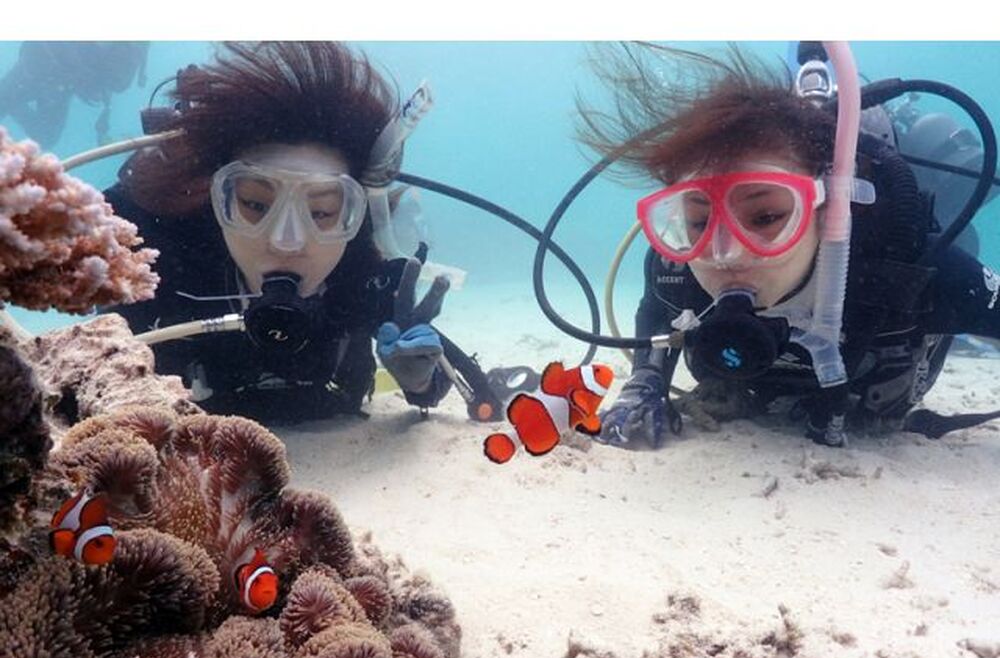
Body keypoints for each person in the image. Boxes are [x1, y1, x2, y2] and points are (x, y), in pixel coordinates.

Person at [576, 43, 1000, 448]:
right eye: (699, 221)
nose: (724, 253)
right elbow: (657, 311)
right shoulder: (677, 266)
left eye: (765, 217)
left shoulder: (906, 267)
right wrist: (646, 384)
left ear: (827, 208)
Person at [104, 41, 484, 426]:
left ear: (355, 217)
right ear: (218, 202)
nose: (286, 242)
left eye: (321, 212)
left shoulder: (362, 273)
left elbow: (440, 385)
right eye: (255, 204)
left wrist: (418, 380)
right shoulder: (159, 260)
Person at [0, 42, 149, 147]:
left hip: (59, 79)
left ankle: (9, 101)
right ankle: (9, 101)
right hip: (44, 66)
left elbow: (119, 83)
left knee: (46, 136)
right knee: (45, 135)